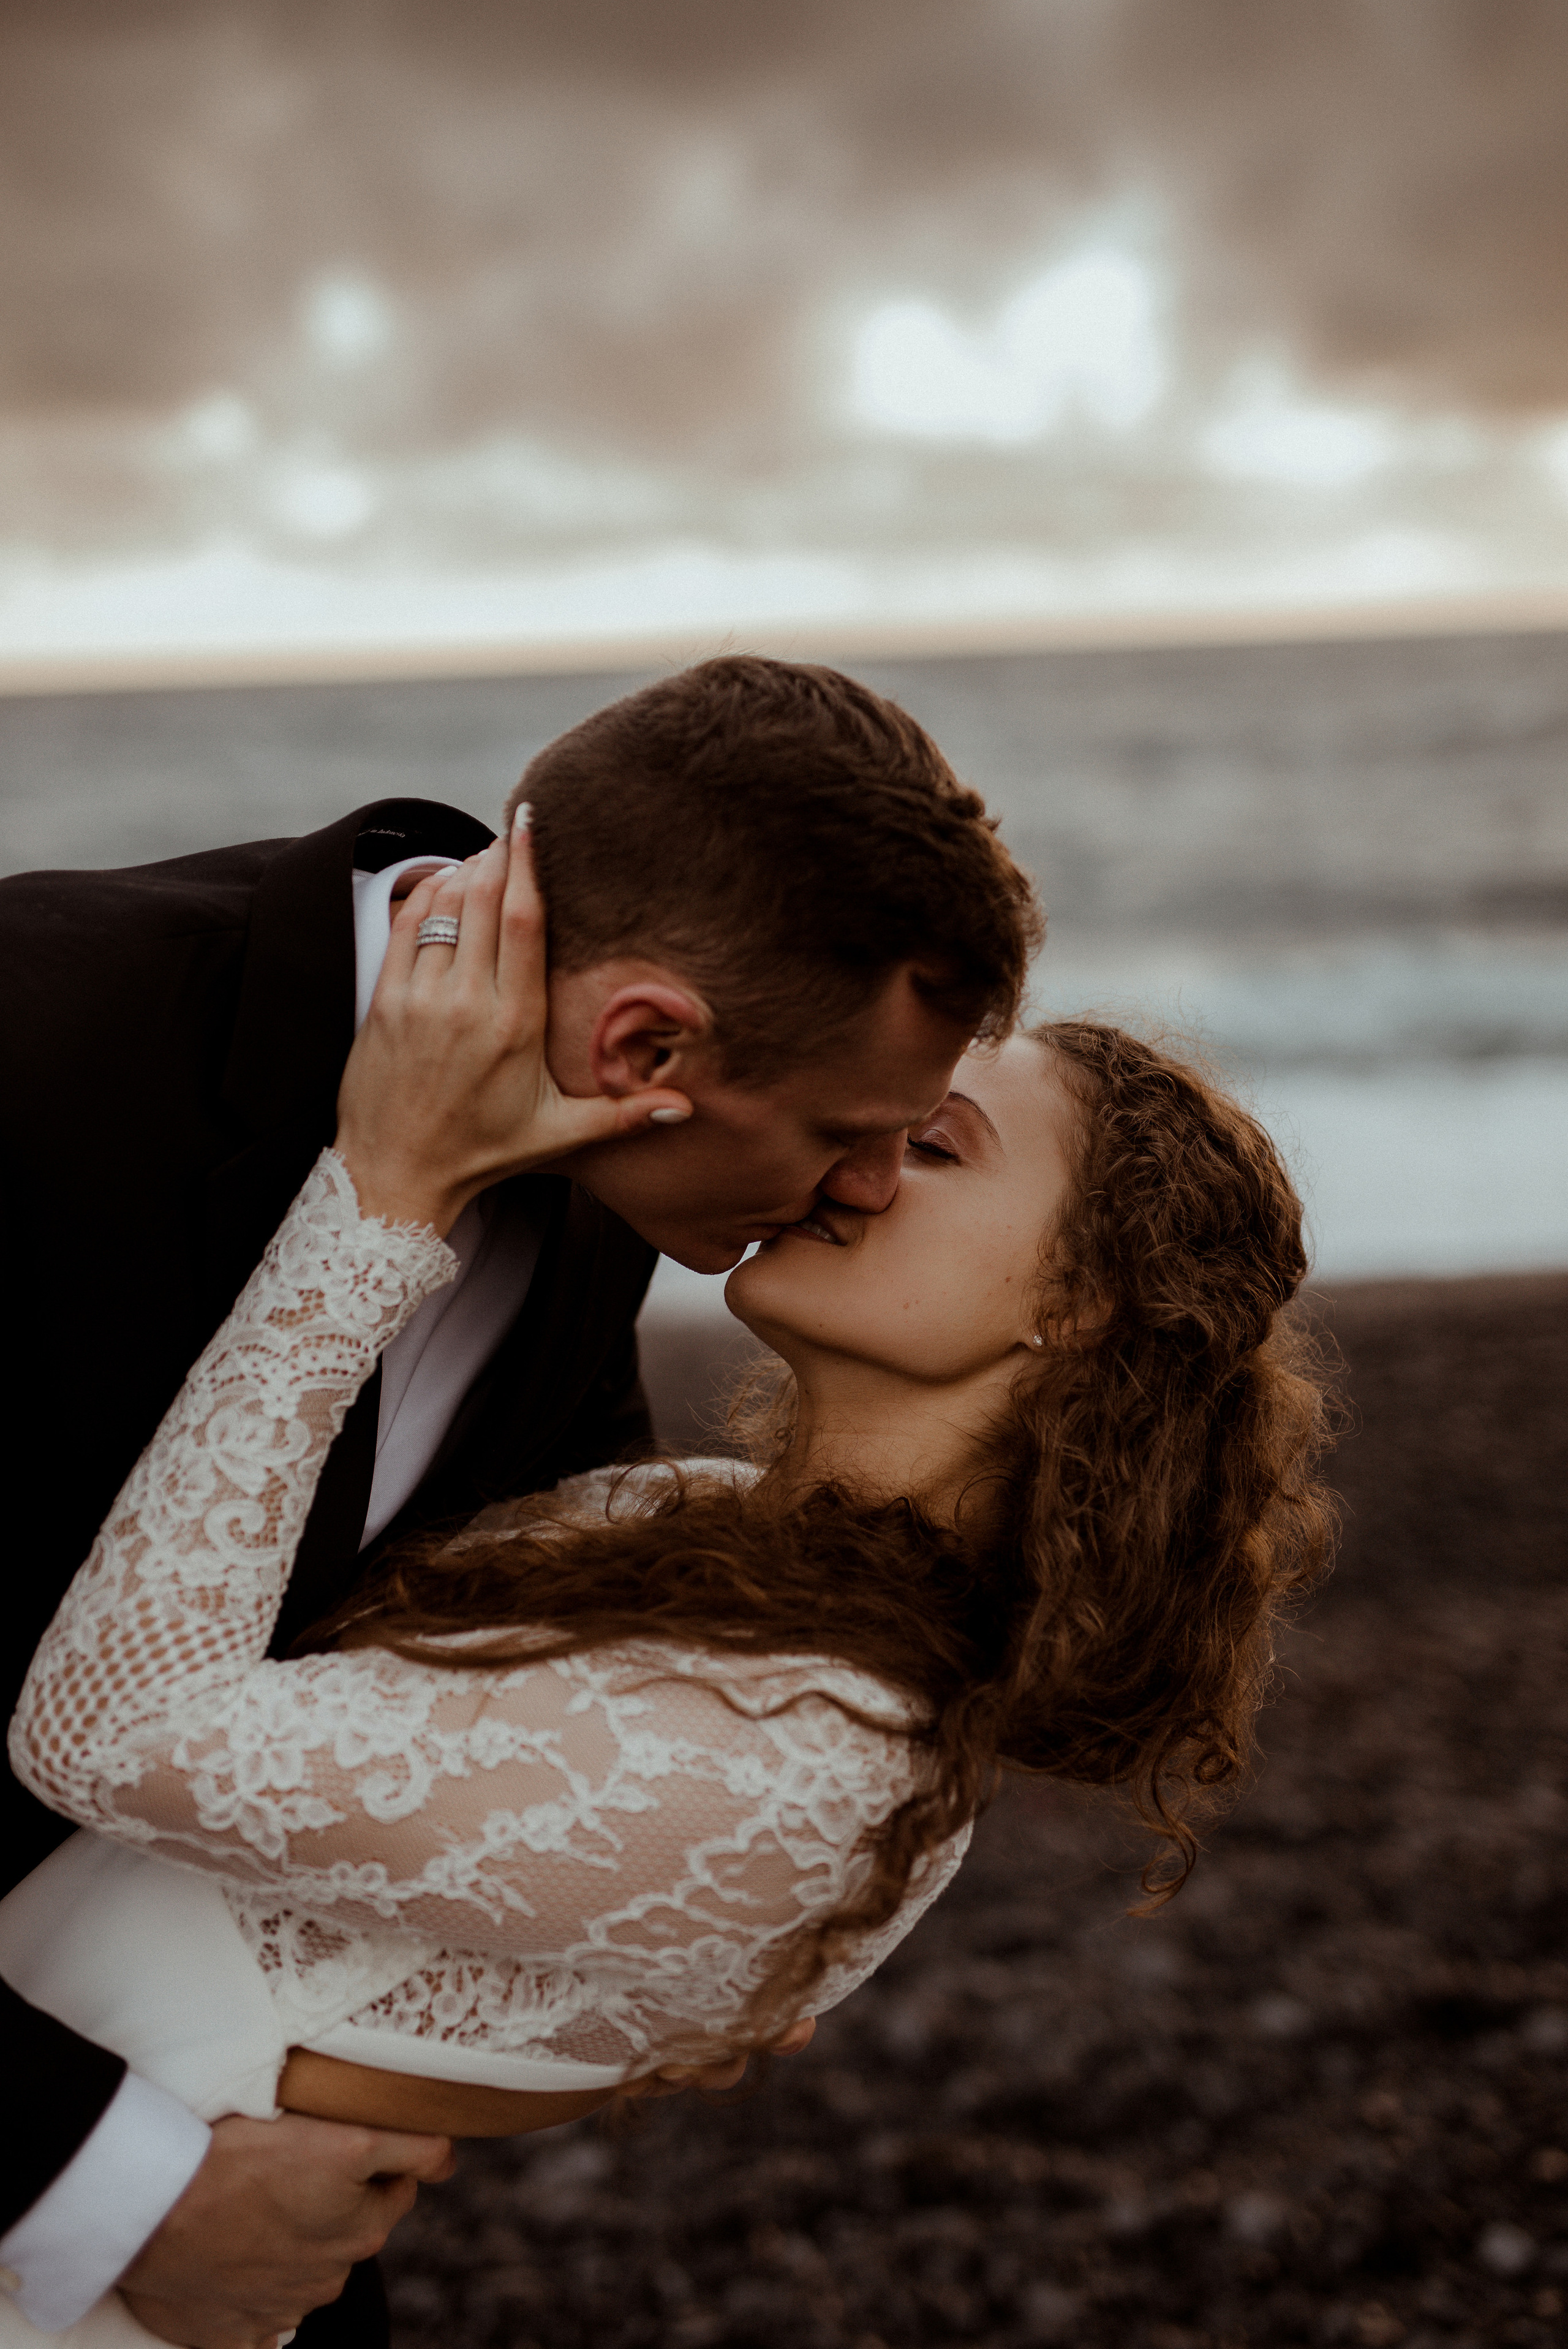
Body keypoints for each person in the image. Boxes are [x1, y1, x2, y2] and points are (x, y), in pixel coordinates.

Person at [2, 821, 1334, 2347]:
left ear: (1079, 1303)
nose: (860, 1165)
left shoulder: (818, 1749)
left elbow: (109, 1734)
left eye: (934, 1140)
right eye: (876, 1116)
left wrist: (384, 1197)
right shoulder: (679, 1518)